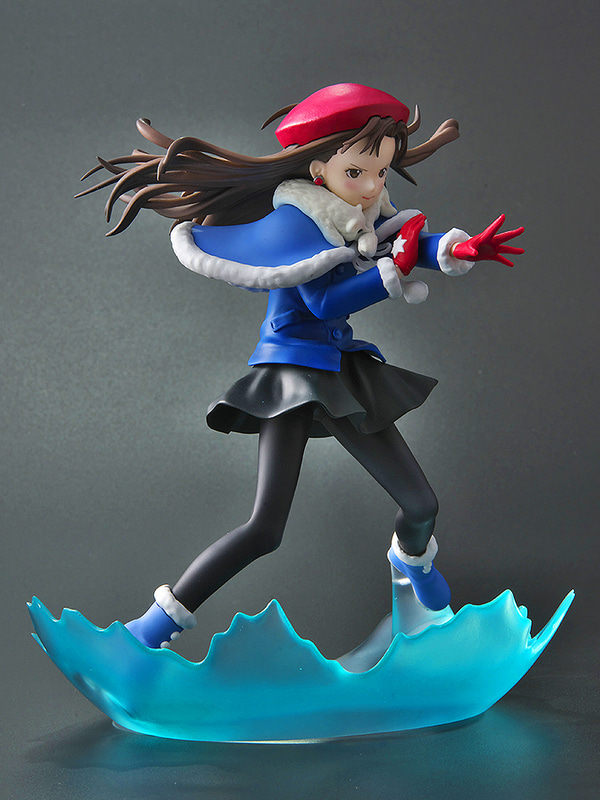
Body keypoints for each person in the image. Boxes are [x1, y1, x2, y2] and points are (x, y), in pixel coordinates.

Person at [81, 83, 524, 648]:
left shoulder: (357, 216)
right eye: (357, 172)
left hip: (340, 371)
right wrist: (394, 270)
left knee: (421, 504)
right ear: (318, 169)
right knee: (265, 528)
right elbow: (322, 301)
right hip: (290, 375)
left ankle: (410, 561)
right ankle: (152, 627)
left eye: (381, 172)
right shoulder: (298, 225)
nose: (373, 186)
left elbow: (397, 241)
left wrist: (455, 250)